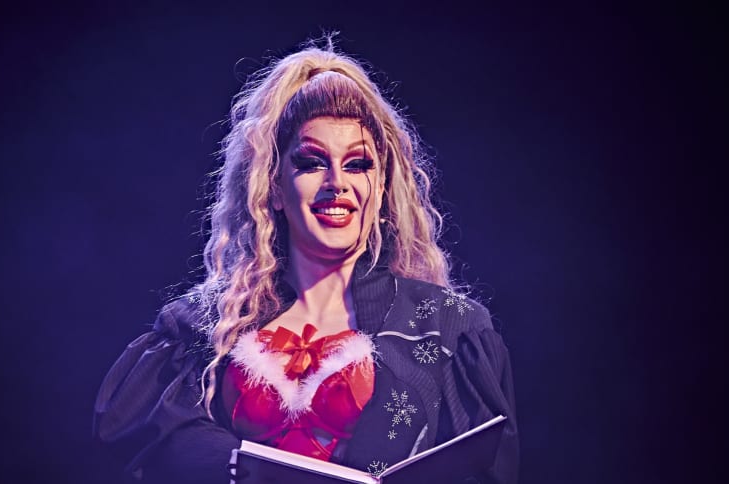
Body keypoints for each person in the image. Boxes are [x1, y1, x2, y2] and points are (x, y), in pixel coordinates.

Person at [93, 39, 518, 484]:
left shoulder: (449, 329)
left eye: (357, 165)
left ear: (383, 187)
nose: (337, 183)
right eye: (312, 162)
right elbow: (138, 437)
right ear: (273, 187)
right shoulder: (204, 326)